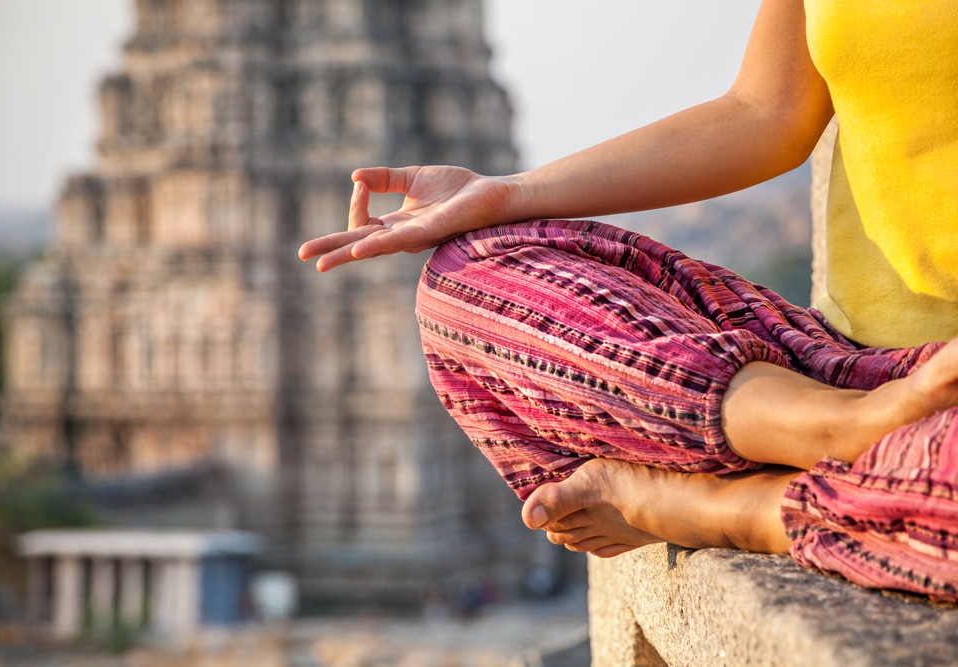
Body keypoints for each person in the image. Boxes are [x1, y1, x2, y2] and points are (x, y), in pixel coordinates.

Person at [299, 0, 958, 601]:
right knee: (466, 273)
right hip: (845, 365)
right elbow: (766, 109)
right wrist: (505, 195)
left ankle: (734, 509)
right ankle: (840, 427)